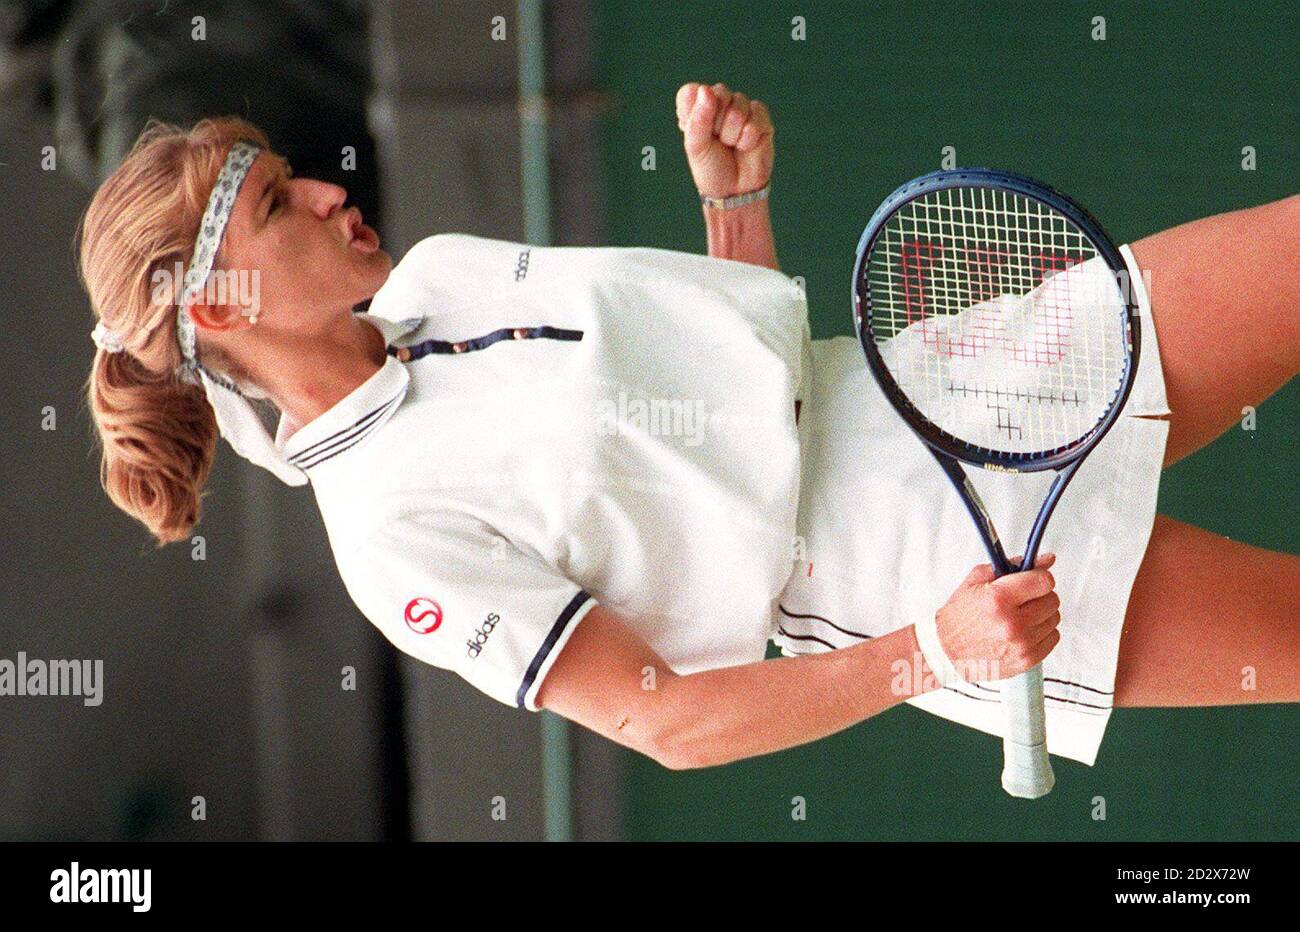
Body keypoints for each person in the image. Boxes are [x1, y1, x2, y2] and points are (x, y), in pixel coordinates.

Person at [82, 82, 1299, 773]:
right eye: (283, 205)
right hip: (919, 573)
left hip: (934, 375)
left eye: (297, 172)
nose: (332, 191)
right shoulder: (387, 534)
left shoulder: (444, 270)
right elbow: (663, 714)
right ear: (216, 306)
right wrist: (931, 649)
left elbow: (726, 401)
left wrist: (736, 209)